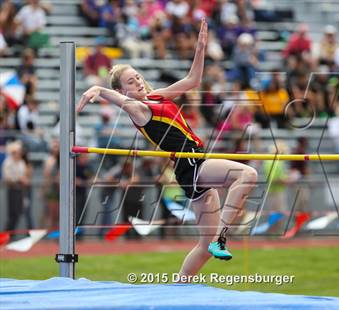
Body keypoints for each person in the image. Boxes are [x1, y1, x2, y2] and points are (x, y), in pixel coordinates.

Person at [77, 19, 258, 277]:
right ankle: (221, 237)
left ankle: (179, 287)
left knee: (204, 248)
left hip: (195, 164)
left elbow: (193, 81)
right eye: (130, 81)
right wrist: (98, 88)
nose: (138, 82)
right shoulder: (137, 109)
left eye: (138, 76)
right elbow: (120, 100)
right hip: (191, 165)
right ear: (122, 89)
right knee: (247, 175)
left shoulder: (156, 96)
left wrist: (200, 48)